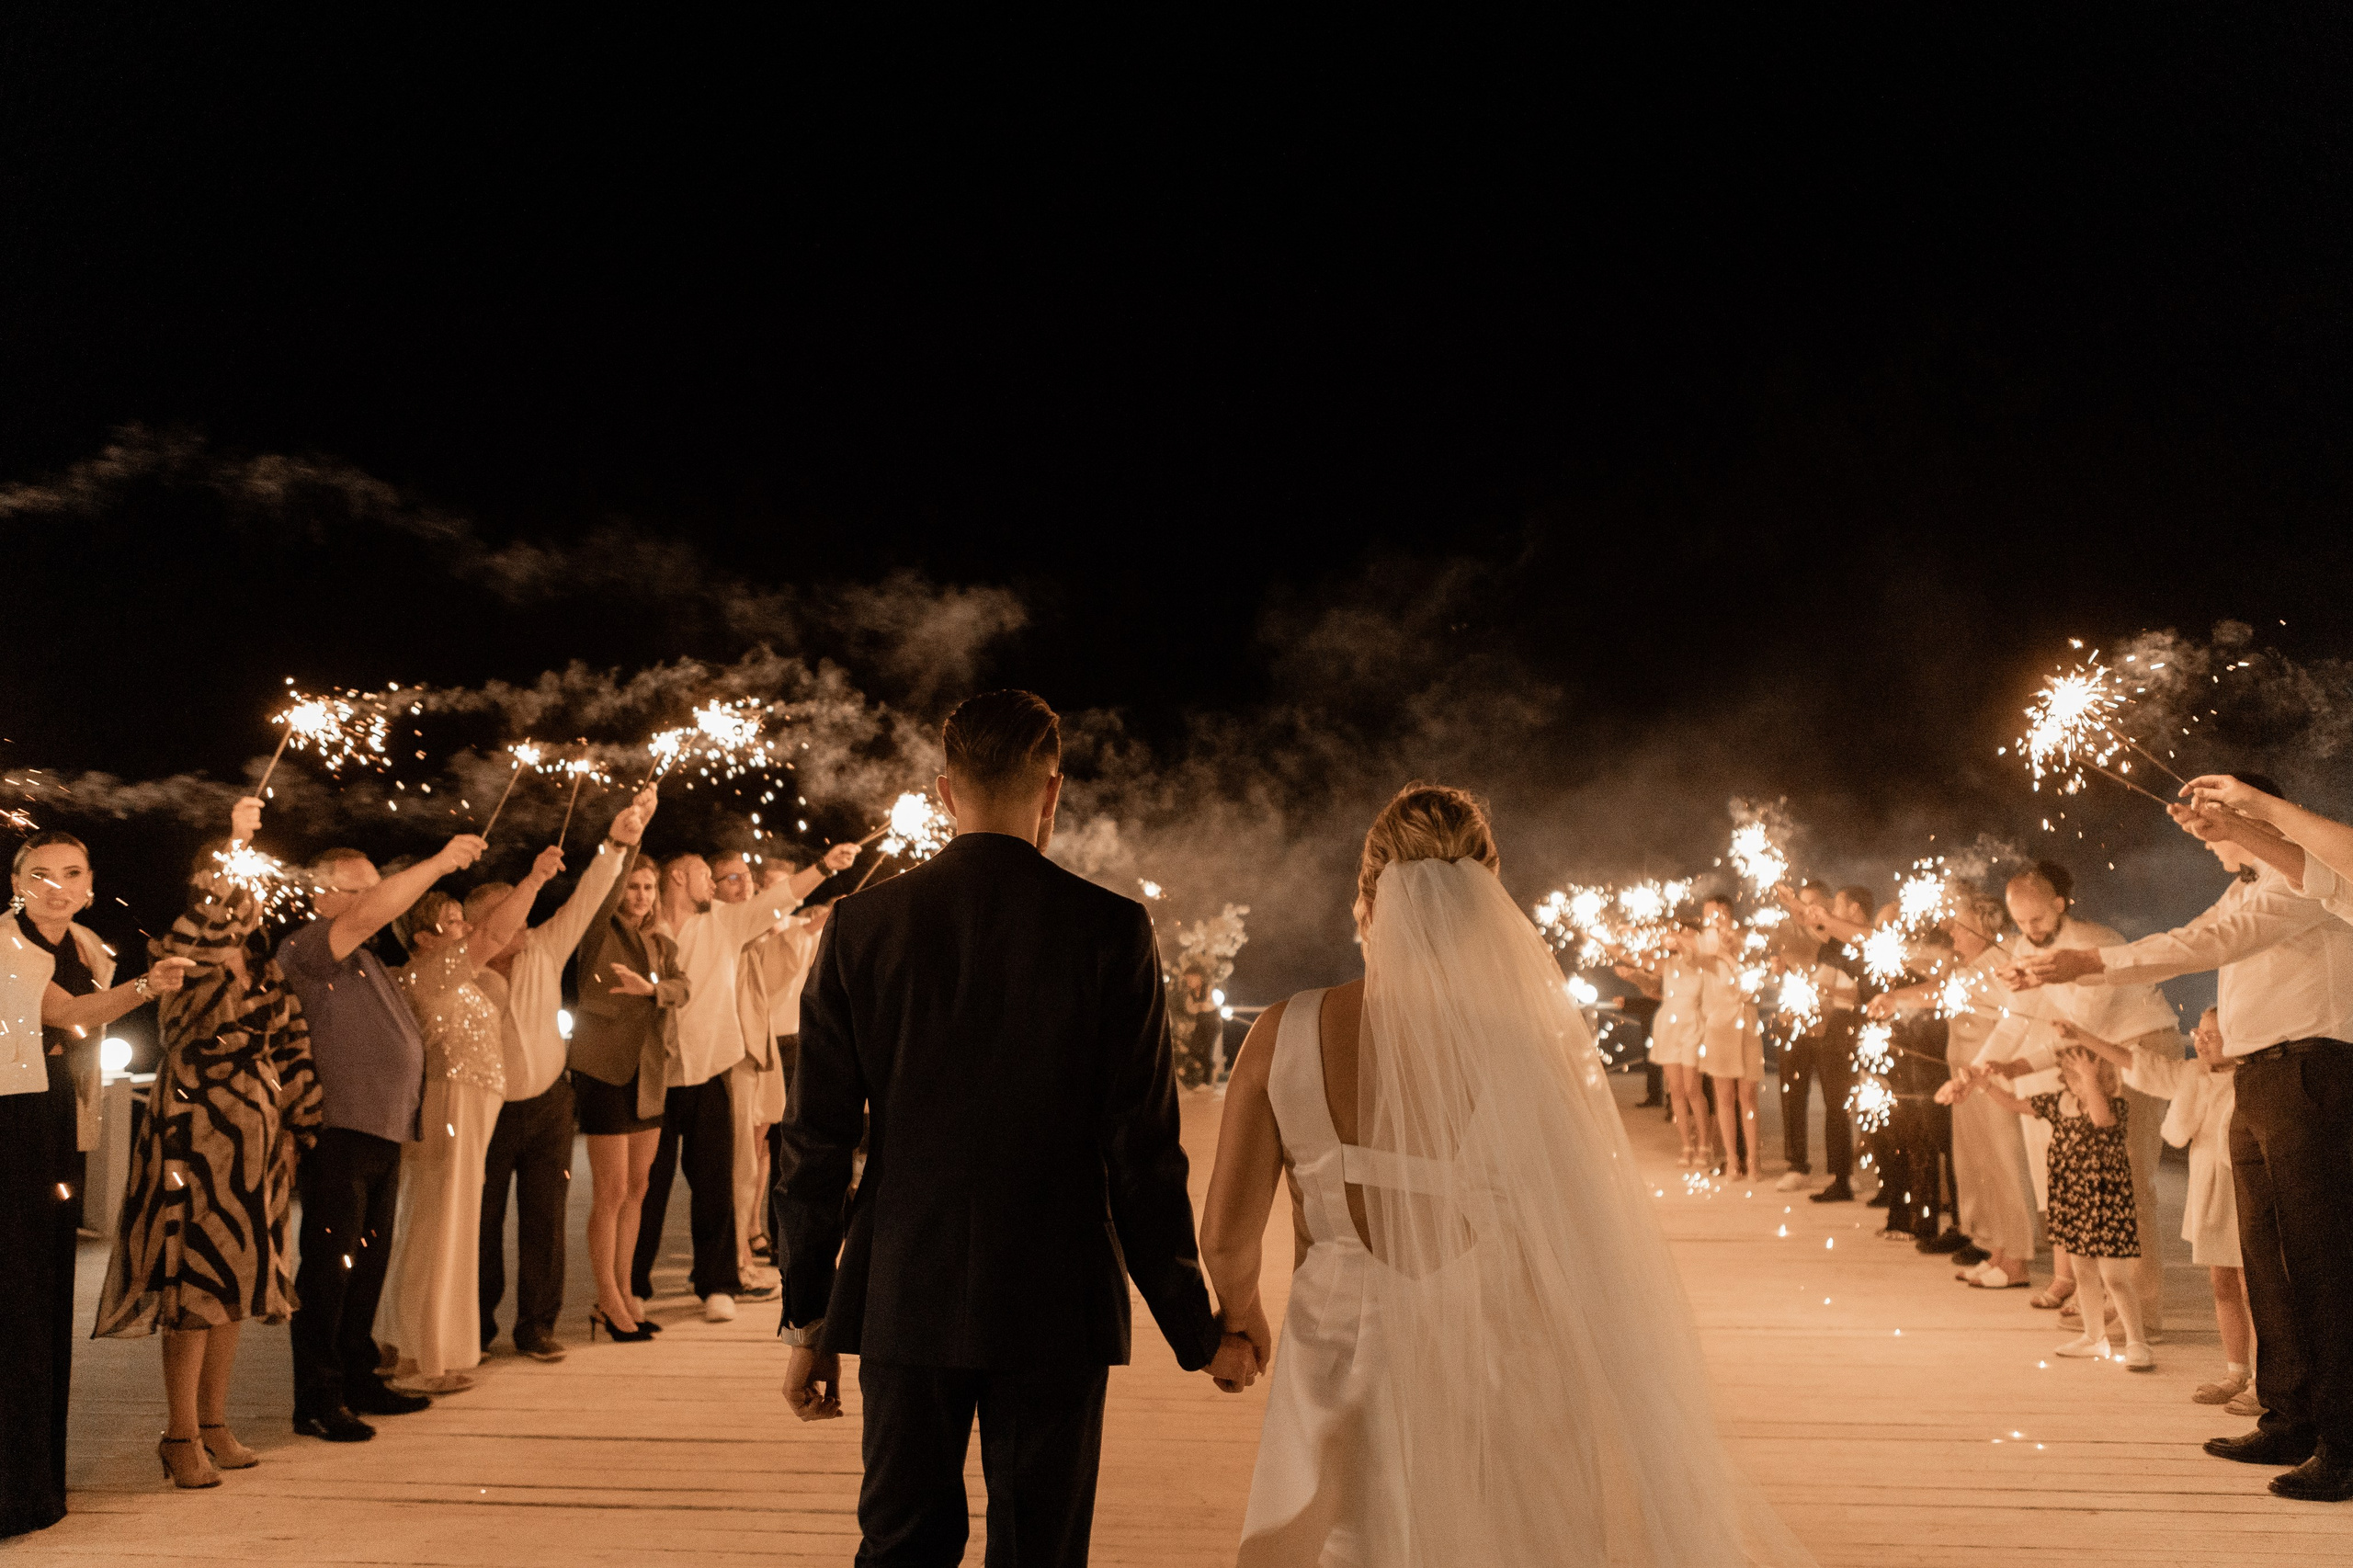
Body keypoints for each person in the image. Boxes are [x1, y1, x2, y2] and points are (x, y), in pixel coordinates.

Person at [1199, 783, 1817, 1565]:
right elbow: (1591, 1239)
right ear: (1489, 900)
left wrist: (1241, 1317)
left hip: (1340, 1362)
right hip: (1502, 1359)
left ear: (1367, 899)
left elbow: (1225, 1241)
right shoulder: (1536, 1046)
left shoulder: (1281, 1033)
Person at [776, 689, 1253, 1568]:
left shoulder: (861, 925)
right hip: (1055, 1293)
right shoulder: (1111, 929)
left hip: (905, 1285)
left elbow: (813, 1140)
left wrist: (808, 1313)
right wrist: (1199, 1331)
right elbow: (1143, 1152)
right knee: (1041, 1549)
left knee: (900, 1543)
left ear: (945, 789)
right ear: (1053, 790)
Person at [2017, 783, 2353, 1501]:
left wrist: (2094, 963)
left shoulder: (2306, 883)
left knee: (2318, 1262)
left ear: (2256, 815)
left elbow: (2210, 943)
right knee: (2265, 1256)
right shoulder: (2246, 889)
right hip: (2256, 1077)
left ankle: (2344, 1439)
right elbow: (2207, 932)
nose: (2205, 839)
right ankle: (2289, 1415)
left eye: (2215, 827)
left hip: (2312, 1071)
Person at [93, 798, 321, 1490]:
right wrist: (234, 840)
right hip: (194, 1133)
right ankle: (179, 1432)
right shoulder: (181, 958)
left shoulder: (265, 969)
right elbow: (201, 926)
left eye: (248, 892)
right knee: (193, 1285)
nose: (243, 904)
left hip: (255, 1140)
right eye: (230, 891)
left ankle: (215, 1422)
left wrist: (301, 1127)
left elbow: (295, 1049)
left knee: (236, 1282)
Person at [4, 830, 194, 1526]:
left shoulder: (89, 947)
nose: (56, 885)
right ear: (17, 883)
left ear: (89, 883)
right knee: (15, 1299)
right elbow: (66, 1014)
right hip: (9, 1123)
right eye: (40, 873)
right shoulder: (5, 944)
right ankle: (12, 1492)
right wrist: (148, 986)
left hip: (58, 1120)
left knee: (46, 1298)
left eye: (71, 873)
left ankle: (37, 1482)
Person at [278, 827, 486, 1442]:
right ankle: (317, 1397)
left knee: (366, 1263)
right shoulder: (314, 946)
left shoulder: (365, 957)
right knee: (329, 1269)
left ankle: (357, 1375)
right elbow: (378, 909)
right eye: (363, 891)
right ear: (323, 897)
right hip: (338, 1129)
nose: (382, 901)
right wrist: (442, 861)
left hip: (380, 1130)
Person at [632, 835, 855, 1323]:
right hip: (655, 1075)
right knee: (646, 1186)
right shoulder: (644, 931)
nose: (711, 884)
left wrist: (823, 866)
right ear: (678, 877)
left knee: (716, 1183)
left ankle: (716, 1285)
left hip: (713, 1069)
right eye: (703, 874)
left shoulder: (726, 923)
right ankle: (634, 1286)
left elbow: (779, 901)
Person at [377, 849, 561, 1392]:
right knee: (440, 1225)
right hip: (450, 1104)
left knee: (449, 1223)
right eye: (453, 922)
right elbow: (494, 935)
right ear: (424, 938)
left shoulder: (456, 974)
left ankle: (418, 1344)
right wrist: (533, 880)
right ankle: (424, 1357)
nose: (465, 929)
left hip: (473, 1105)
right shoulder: (429, 972)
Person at [471, 792, 645, 1358]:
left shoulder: (547, 947)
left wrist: (617, 842)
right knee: (483, 1220)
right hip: (487, 1111)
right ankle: (473, 1325)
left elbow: (592, 894)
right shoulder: (465, 969)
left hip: (550, 1101)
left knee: (545, 1219)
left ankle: (537, 1324)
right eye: (509, 915)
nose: (521, 925)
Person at [1981, 861, 2179, 1339]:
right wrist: (1985, 1067)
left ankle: (2144, 1311)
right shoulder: (2025, 947)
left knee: (2129, 1180)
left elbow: (2083, 1020)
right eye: (2020, 922)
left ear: (2059, 904)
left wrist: (2043, 981)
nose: (2029, 931)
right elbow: (2018, 1019)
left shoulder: (2098, 942)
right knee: (2112, 1183)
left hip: (2140, 1046)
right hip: (2095, 1053)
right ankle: (2117, 1298)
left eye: (2038, 920)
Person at [2062, 1007, 2254, 1409]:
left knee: (2253, 1285)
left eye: (2212, 1035)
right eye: (2198, 1033)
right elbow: (2140, 1063)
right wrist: (2083, 1033)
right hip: (2208, 1191)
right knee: (2221, 1282)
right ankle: (2236, 1371)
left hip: (2246, 1189)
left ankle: (2265, 1379)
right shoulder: (2192, 1076)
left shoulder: (2254, 1080)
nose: (2201, 1041)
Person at [1951, 1043, 2152, 1369]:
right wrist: (1982, 1084)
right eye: (2074, 1076)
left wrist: (2089, 1080)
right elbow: (2015, 1104)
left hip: (2105, 1204)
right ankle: (2093, 1336)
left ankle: (2137, 1341)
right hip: (2071, 1200)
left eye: (2090, 1076)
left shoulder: (2114, 1107)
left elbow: (2101, 1120)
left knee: (2114, 1276)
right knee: (2083, 1271)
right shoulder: (2059, 1104)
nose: (2080, 1082)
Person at [570, 835, 684, 1340]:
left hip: (649, 1076)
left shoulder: (661, 942)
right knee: (610, 1193)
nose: (640, 895)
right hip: (604, 1072)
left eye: (648, 886)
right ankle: (609, 1300)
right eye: (633, 886)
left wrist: (654, 990)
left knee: (638, 1188)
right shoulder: (598, 931)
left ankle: (624, 1289)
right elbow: (604, 889)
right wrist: (632, 838)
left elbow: (683, 986)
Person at [713, 850, 790, 1291]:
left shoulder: (747, 928)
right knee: (739, 1158)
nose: (746, 888)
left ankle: (742, 1243)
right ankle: (736, 1256)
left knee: (755, 1146)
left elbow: (776, 981)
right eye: (733, 879)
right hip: (732, 1050)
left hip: (757, 1047)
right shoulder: (723, 923)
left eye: (748, 879)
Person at [1698, 894, 1763, 1178]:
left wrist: (1729, 955)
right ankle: (1733, 1160)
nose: (1711, 924)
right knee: (1724, 1095)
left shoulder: (1750, 947)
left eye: (1715, 916)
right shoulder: (1705, 952)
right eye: (1707, 918)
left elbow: (1751, 990)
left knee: (1747, 1095)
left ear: (1728, 916)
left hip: (1747, 1024)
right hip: (1719, 1027)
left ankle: (1753, 1160)